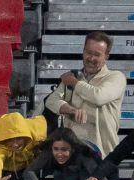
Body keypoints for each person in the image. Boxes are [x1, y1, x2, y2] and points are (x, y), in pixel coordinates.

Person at [44, 31, 127, 159]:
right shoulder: (74, 76)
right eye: (89, 52)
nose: (91, 58)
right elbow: (51, 101)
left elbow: (98, 97)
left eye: (97, 55)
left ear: (106, 56)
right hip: (71, 157)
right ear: (83, 52)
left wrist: (74, 83)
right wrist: (71, 110)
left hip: (104, 158)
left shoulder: (116, 77)